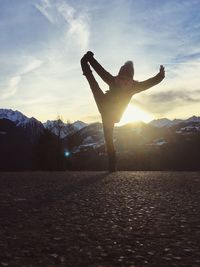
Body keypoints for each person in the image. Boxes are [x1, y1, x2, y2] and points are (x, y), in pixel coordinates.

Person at [80, 51, 165, 172]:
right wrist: (90, 59)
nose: (124, 83)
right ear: (118, 78)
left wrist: (160, 76)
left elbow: (148, 83)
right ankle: (84, 63)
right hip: (104, 105)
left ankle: (112, 164)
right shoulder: (112, 80)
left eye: (128, 80)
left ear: (132, 80)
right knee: (93, 84)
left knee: (108, 137)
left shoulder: (134, 87)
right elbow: (100, 70)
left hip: (115, 115)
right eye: (122, 79)